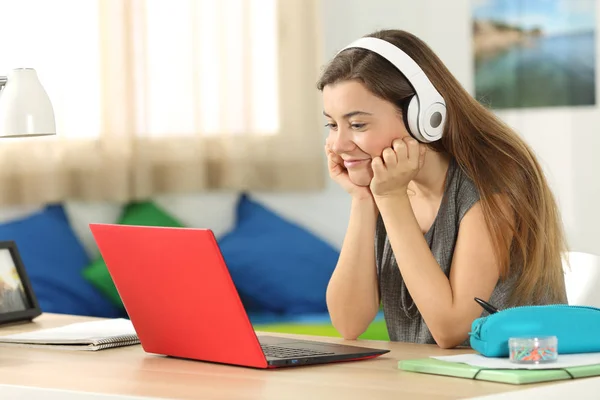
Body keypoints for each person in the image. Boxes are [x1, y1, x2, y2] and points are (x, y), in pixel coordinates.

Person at [318, 29, 568, 349]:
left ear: (421, 115)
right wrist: (363, 198)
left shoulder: (493, 184)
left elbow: (452, 330)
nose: (339, 144)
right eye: (332, 125)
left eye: (357, 125)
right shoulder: (388, 184)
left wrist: (390, 199)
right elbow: (348, 323)